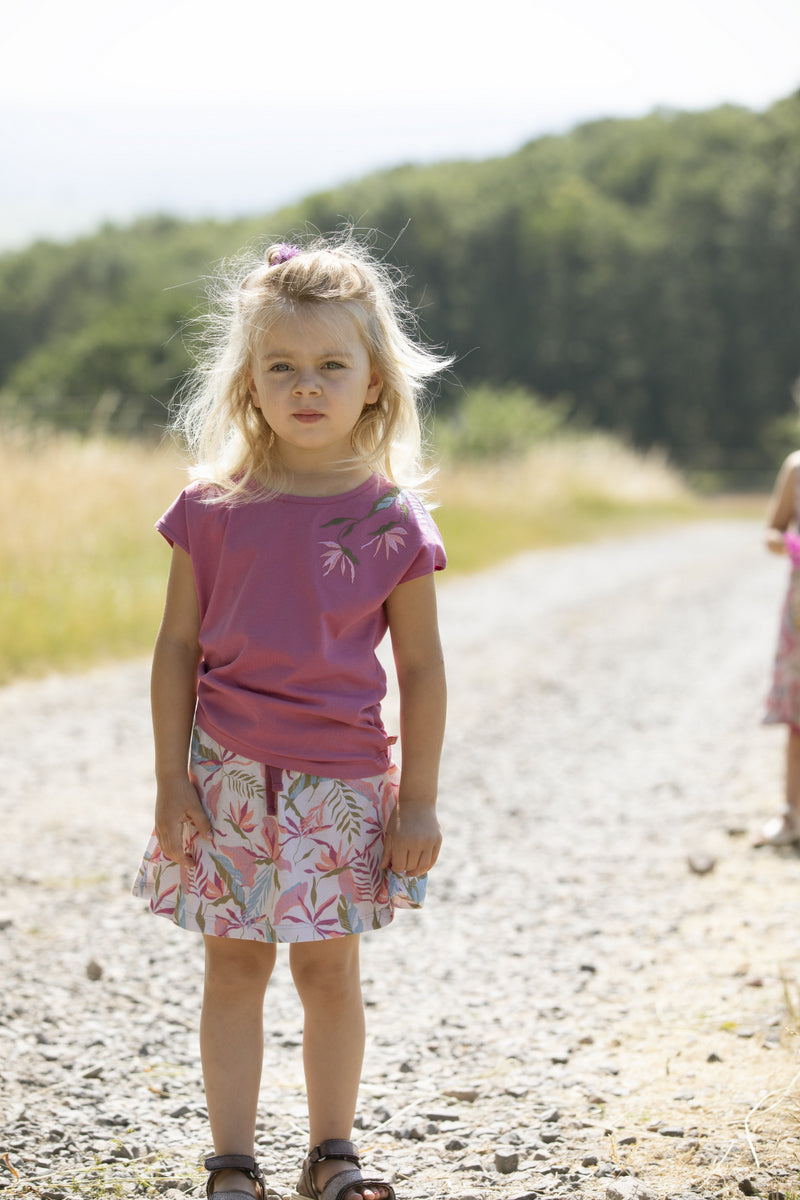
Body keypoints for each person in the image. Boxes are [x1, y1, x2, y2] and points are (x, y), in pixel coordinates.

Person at [132, 236, 449, 1200]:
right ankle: (232, 1162)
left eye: (329, 366)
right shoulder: (211, 507)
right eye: (282, 366)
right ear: (249, 385)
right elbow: (177, 648)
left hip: (342, 784)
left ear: (374, 384)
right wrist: (170, 780)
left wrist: (419, 802)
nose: (305, 386)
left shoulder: (391, 519)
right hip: (224, 773)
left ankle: (334, 1155)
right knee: (233, 967)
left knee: (327, 972)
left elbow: (424, 668)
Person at [756, 448, 800, 846]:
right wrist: (791, 544)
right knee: (798, 719)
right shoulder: (796, 466)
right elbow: (772, 531)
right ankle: (791, 813)